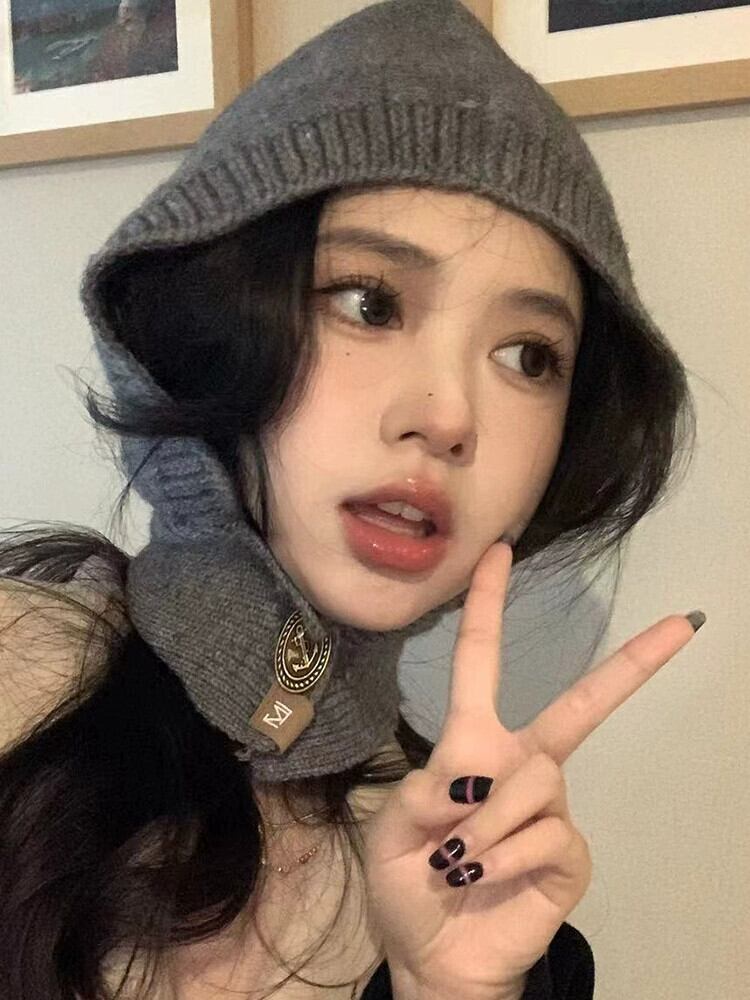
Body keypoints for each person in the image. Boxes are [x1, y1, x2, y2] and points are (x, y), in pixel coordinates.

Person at [0, 1, 703, 997]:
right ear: (223, 317)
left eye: (528, 356)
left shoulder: (470, 889)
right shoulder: (20, 684)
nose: (449, 415)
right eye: (370, 303)